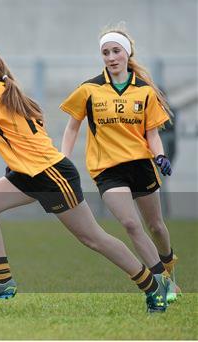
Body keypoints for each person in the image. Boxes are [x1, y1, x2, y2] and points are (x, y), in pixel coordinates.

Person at [0, 46, 170, 313]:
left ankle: (153, 287)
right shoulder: (3, 89)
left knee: (94, 238)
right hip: (27, 173)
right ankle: (2, 281)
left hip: (51, 176)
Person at [59, 25, 180, 302]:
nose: (111, 57)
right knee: (130, 224)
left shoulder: (145, 91)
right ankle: (163, 283)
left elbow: (152, 134)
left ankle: (169, 265)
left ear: (127, 53)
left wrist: (159, 156)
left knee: (156, 227)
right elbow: (72, 128)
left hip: (140, 165)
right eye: (105, 52)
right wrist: (62, 160)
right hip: (107, 169)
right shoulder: (89, 89)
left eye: (116, 51)